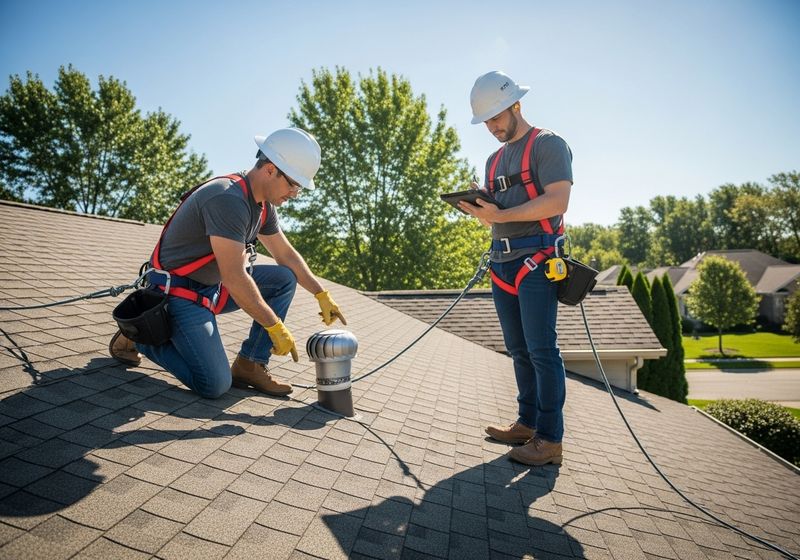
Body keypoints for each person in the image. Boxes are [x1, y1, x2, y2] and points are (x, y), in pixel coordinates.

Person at [109, 127, 346, 399]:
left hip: (213, 288)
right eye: (293, 184)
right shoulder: (228, 198)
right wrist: (274, 326)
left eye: (299, 188)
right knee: (214, 384)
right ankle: (141, 335)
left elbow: (286, 255)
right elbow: (234, 277)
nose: (294, 193)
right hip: (177, 294)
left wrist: (320, 293)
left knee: (284, 279)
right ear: (271, 169)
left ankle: (250, 365)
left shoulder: (263, 206)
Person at [460, 71, 573, 466]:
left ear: (516, 105)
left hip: (537, 261)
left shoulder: (548, 144)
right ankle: (527, 424)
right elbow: (498, 217)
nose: (492, 127)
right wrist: (481, 211)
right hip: (501, 262)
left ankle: (550, 440)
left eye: (496, 117)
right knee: (518, 349)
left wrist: (501, 215)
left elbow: (557, 201)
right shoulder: (493, 161)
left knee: (542, 350)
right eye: (486, 121)